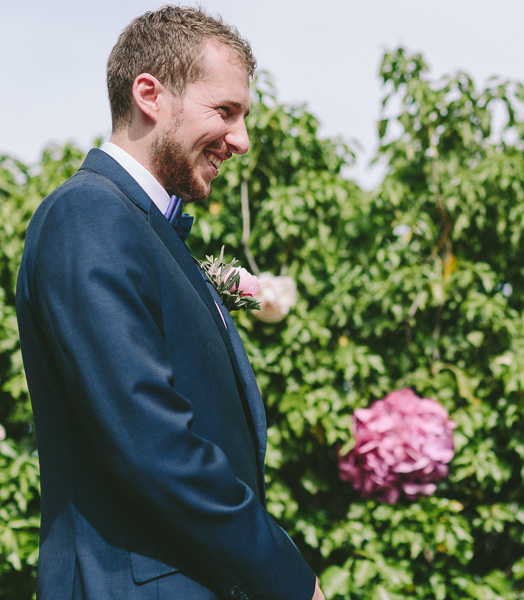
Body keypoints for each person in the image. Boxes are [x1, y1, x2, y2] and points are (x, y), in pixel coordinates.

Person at [16, 6, 325, 599]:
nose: (241, 139)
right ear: (150, 94)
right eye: (225, 112)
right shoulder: (89, 215)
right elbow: (151, 441)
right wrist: (287, 577)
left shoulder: (141, 227)